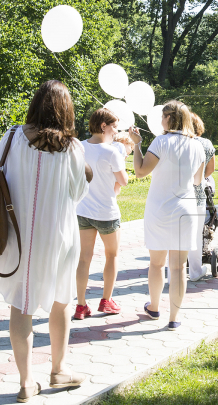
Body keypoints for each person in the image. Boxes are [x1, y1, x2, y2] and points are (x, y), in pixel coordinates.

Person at [0, 80, 91, 402]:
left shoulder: (11, 137)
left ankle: (26, 382)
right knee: (61, 300)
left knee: (21, 305)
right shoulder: (74, 149)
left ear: (35, 104)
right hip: (59, 236)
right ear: (66, 110)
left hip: (18, 235)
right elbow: (78, 193)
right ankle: (59, 369)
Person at [129, 100, 205, 330]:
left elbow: (141, 171)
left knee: (156, 264)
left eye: (162, 116)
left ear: (169, 118)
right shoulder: (197, 145)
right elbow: (198, 180)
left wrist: (136, 145)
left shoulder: (160, 142)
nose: (160, 120)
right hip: (186, 209)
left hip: (160, 208)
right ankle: (175, 318)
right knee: (179, 267)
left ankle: (154, 307)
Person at [74, 108, 129, 321]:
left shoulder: (78, 146)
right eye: (114, 126)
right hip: (106, 211)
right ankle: (106, 301)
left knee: (84, 258)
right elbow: (123, 181)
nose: (116, 131)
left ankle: (80, 305)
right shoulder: (112, 152)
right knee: (112, 255)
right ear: (103, 126)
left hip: (83, 210)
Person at [188, 112, 215, 282]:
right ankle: (195, 270)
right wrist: (199, 177)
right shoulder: (205, 144)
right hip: (197, 194)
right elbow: (211, 169)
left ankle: (173, 269)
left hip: (176, 194)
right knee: (196, 233)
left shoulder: (175, 142)